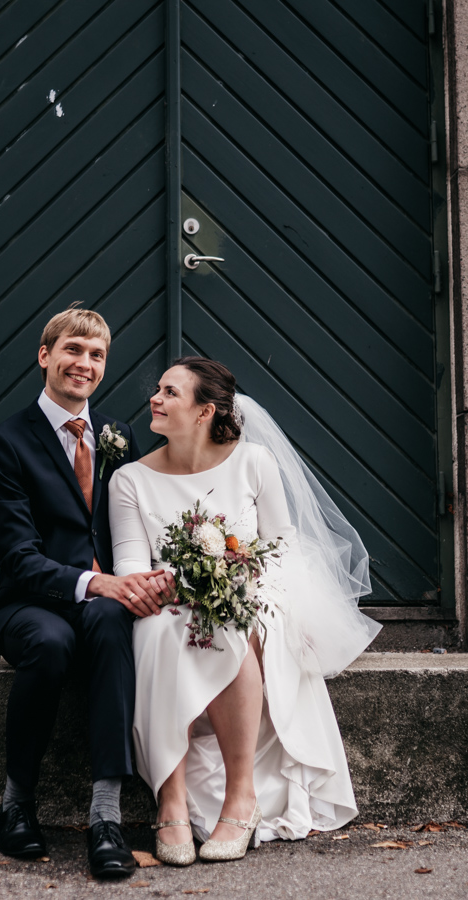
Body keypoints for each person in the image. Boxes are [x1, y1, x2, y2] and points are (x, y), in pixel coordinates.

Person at [108, 357, 382, 865]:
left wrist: (235, 584)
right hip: (167, 604)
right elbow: (130, 568)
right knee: (166, 631)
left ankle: (241, 796)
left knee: (227, 622)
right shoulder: (129, 479)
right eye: (159, 390)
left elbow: (281, 547)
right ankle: (170, 802)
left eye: (170, 392)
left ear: (204, 411)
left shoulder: (254, 462)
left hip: (255, 595)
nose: (156, 398)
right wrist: (173, 587)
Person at [0, 305, 174, 880]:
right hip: (28, 604)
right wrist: (96, 582)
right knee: (52, 641)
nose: (83, 364)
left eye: (96, 355)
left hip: (105, 604)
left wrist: (153, 576)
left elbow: (138, 519)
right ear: (45, 355)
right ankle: (16, 803)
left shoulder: (120, 434)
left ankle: (106, 816)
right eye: (72, 350)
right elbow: (19, 557)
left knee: (112, 622)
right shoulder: (5, 443)